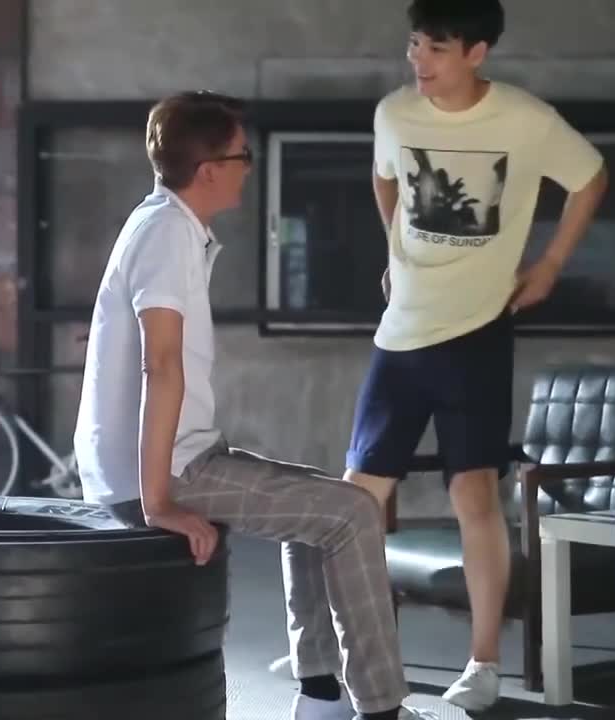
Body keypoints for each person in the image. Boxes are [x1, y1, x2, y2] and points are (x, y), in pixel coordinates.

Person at [72, 91, 434, 720]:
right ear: (209, 170)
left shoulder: (167, 224)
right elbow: (162, 366)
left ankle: (320, 700)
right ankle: (382, 710)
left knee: (321, 504)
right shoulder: (166, 235)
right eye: (243, 155)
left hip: (170, 459)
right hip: (160, 471)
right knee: (351, 511)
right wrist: (158, 503)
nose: (250, 165)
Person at [345, 0, 609, 711]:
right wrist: (395, 249)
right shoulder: (395, 114)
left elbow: (590, 177)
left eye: (436, 48)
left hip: (478, 332)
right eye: (414, 44)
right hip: (400, 335)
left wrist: (550, 263)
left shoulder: (524, 119)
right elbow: (384, 178)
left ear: (476, 52)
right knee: (356, 497)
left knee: (473, 494)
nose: (419, 61)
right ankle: (337, 647)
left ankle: (484, 663)